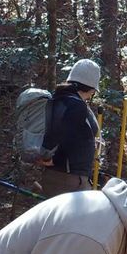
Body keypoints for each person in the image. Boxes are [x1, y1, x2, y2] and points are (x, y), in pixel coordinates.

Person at [40, 59, 102, 198]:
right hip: (70, 180)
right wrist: (55, 159)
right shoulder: (76, 106)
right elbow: (66, 136)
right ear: (91, 88)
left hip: (57, 176)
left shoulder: (58, 98)